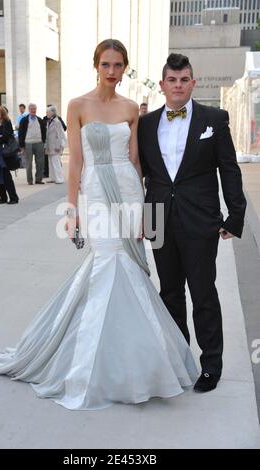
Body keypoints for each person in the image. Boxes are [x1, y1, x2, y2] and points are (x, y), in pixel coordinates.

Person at [0, 40, 198, 411]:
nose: (112, 71)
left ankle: (135, 363)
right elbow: (75, 162)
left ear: (125, 68)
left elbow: (136, 161)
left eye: (119, 65)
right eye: (106, 64)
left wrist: (143, 209)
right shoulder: (77, 105)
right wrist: (72, 208)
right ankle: (90, 366)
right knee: (108, 263)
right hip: (95, 190)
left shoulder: (129, 108)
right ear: (96, 65)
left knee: (131, 270)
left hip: (127, 191)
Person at [138, 53, 247, 393]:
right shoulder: (144, 124)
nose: (178, 85)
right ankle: (178, 358)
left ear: (193, 82)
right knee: (168, 292)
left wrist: (236, 215)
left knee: (203, 293)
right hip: (156, 216)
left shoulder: (214, 119)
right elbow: (138, 173)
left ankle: (211, 365)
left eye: (184, 79)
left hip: (200, 219)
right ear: (162, 85)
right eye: (172, 80)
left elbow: (228, 168)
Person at [0, 106, 19, 205]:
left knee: (6, 176)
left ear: (2, 113)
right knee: (0, 175)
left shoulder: (6, 122)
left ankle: (13, 198)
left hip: (5, 153)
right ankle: (3, 197)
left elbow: (7, 136)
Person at [18, 103, 46, 185]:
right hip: (28, 144)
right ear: (29, 110)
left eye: (34, 109)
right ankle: (29, 180)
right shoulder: (24, 120)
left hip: (39, 143)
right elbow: (21, 133)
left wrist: (43, 142)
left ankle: (38, 179)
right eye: (31, 109)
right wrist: (22, 146)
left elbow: (44, 132)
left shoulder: (40, 120)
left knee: (40, 162)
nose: (33, 110)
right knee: (29, 163)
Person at [43, 106, 67, 178]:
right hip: (49, 145)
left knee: (56, 162)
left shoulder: (57, 122)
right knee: (50, 163)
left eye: (48, 112)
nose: (46, 113)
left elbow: (60, 135)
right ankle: (52, 177)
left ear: (52, 113)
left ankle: (59, 178)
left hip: (55, 145)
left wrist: (59, 146)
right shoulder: (49, 121)